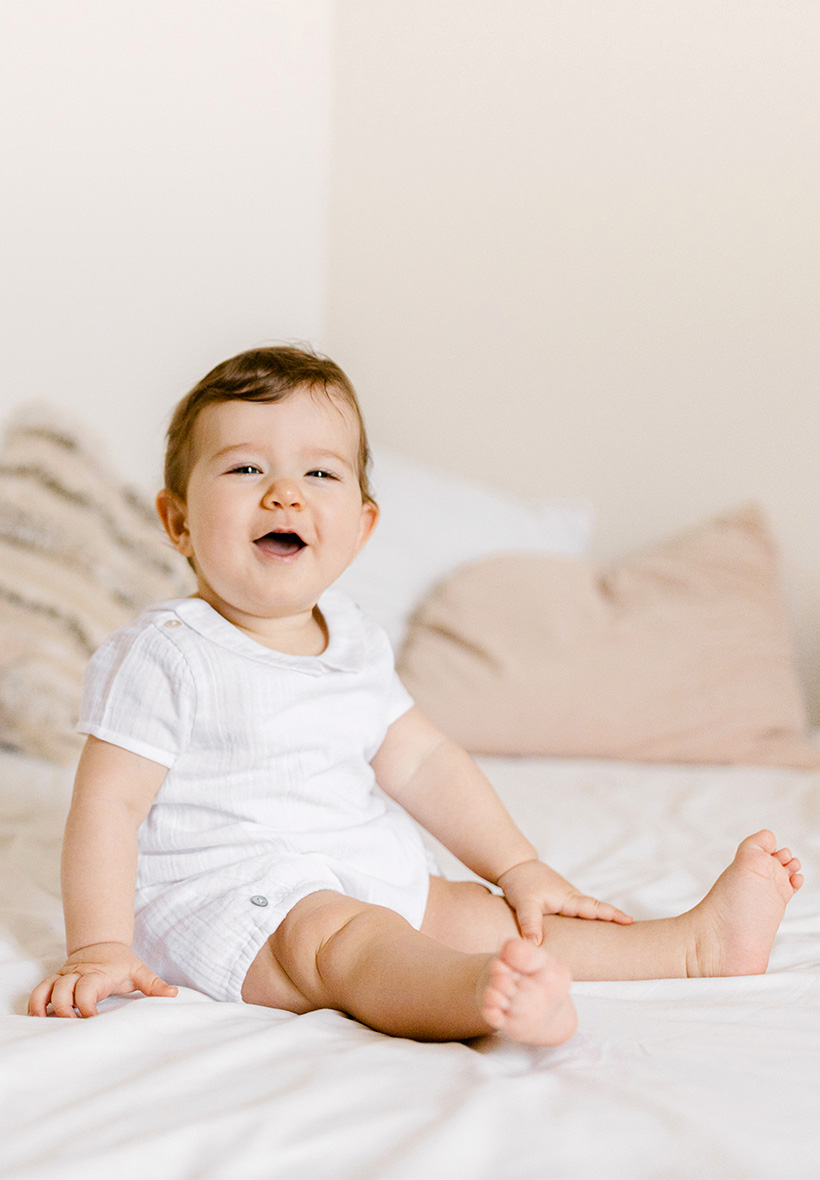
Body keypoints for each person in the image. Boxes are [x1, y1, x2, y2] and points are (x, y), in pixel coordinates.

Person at [28, 346, 804, 1046]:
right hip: (235, 902)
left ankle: (693, 947)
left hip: (358, 866)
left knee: (477, 914)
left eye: (319, 474)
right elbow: (108, 807)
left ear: (362, 528)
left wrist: (518, 866)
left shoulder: (354, 638)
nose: (285, 496)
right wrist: (99, 946)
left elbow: (425, 759)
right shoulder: (167, 652)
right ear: (177, 522)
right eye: (245, 470)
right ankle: (484, 997)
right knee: (344, 938)